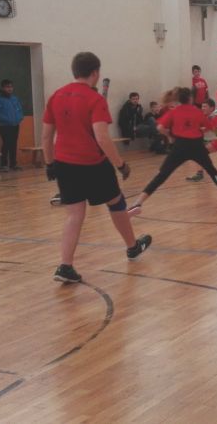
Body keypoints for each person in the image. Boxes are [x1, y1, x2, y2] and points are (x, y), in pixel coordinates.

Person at [42, 52, 152, 283]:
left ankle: (65, 266)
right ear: (95, 73)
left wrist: (49, 163)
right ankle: (132, 247)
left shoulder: (56, 96)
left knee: (74, 214)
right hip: (93, 164)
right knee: (116, 203)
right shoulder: (95, 99)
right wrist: (120, 164)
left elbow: (46, 136)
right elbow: (102, 137)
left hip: (64, 164)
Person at [128, 87, 217, 216]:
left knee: (162, 175)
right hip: (197, 146)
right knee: (211, 170)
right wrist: (198, 128)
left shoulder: (174, 111)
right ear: (190, 98)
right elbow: (208, 128)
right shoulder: (197, 111)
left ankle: (138, 203)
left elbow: (160, 127)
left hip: (179, 146)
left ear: (179, 99)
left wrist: (170, 136)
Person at [0, 79, 23, 171]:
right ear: (3, 88)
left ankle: (13, 164)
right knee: (6, 143)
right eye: (7, 87)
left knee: (13, 144)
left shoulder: (14, 98)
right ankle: (3, 164)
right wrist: (7, 119)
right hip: (5, 125)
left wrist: (19, 118)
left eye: (11, 87)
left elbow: (19, 109)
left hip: (15, 124)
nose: (10, 89)